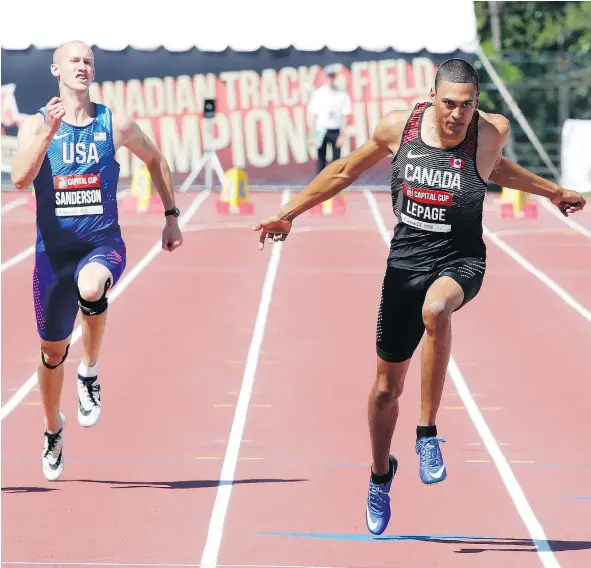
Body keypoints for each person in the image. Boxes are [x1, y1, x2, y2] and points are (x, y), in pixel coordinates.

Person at [252, 58, 586, 535]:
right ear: (432, 97)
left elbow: (495, 168)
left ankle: (427, 434)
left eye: (467, 106)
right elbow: (346, 169)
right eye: (448, 103)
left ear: (477, 104)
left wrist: (551, 191)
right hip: (405, 264)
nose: (456, 115)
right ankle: (379, 472)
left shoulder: (491, 132)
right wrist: (289, 212)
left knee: (438, 308)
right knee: (385, 391)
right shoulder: (398, 128)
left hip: (461, 260)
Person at [11, 40, 183, 482]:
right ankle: (53, 428)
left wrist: (170, 216)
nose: (83, 67)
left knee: (92, 288)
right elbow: (18, 180)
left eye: (88, 61)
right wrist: (48, 135)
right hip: (52, 256)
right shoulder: (36, 125)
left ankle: (89, 370)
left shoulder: (114, 123)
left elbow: (156, 160)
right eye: (75, 61)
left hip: (101, 245)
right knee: (51, 354)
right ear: (56, 70)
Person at [307, 63, 352, 174]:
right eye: (329, 75)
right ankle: (321, 188)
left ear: (335, 77)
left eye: (333, 75)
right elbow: (312, 114)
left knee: (337, 162)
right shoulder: (318, 93)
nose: (331, 78)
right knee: (321, 160)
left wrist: (342, 135)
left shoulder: (342, 94)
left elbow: (345, 116)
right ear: (325, 76)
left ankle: (335, 188)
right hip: (320, 129)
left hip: (335, 130)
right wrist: (312, 134)